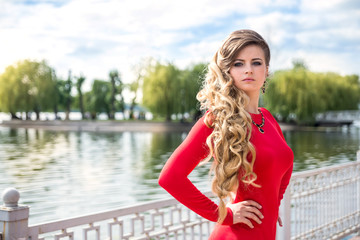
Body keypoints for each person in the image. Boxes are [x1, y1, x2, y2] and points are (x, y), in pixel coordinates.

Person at [158, 29, 294, 240]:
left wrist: (273, 204)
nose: (248, 70)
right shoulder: (217, 120)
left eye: (256, 63)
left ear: (266, 70)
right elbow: (170, 177)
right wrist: (224, 214)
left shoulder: (268, 118)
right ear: (228, 71)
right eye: (238, 64)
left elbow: (286, 164)